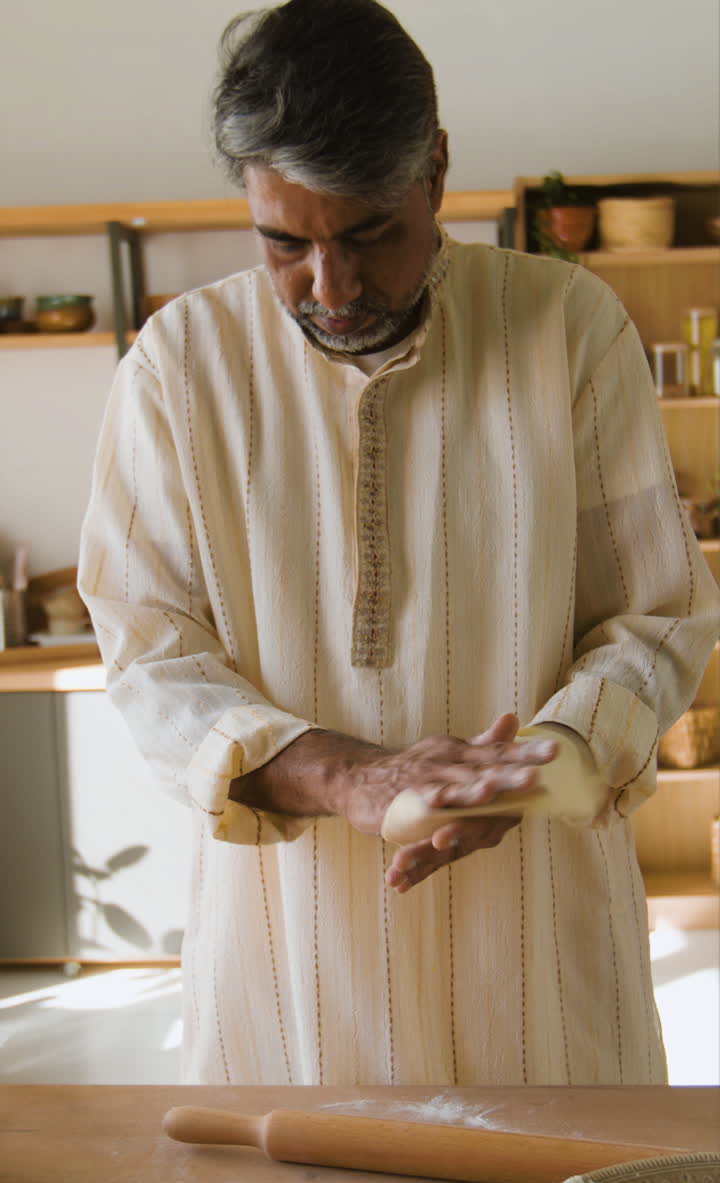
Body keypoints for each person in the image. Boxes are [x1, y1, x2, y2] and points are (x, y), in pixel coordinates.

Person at [78, 0, 719, 1087]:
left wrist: (542, 764)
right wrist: (350, 777)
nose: (330, 289)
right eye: (287, 243)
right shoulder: (177, 364)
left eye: (369, 232)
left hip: (539, 963)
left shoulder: (568, 324)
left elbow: (652, 617)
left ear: (435, 171)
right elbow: (150, 655)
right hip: (292, 972)